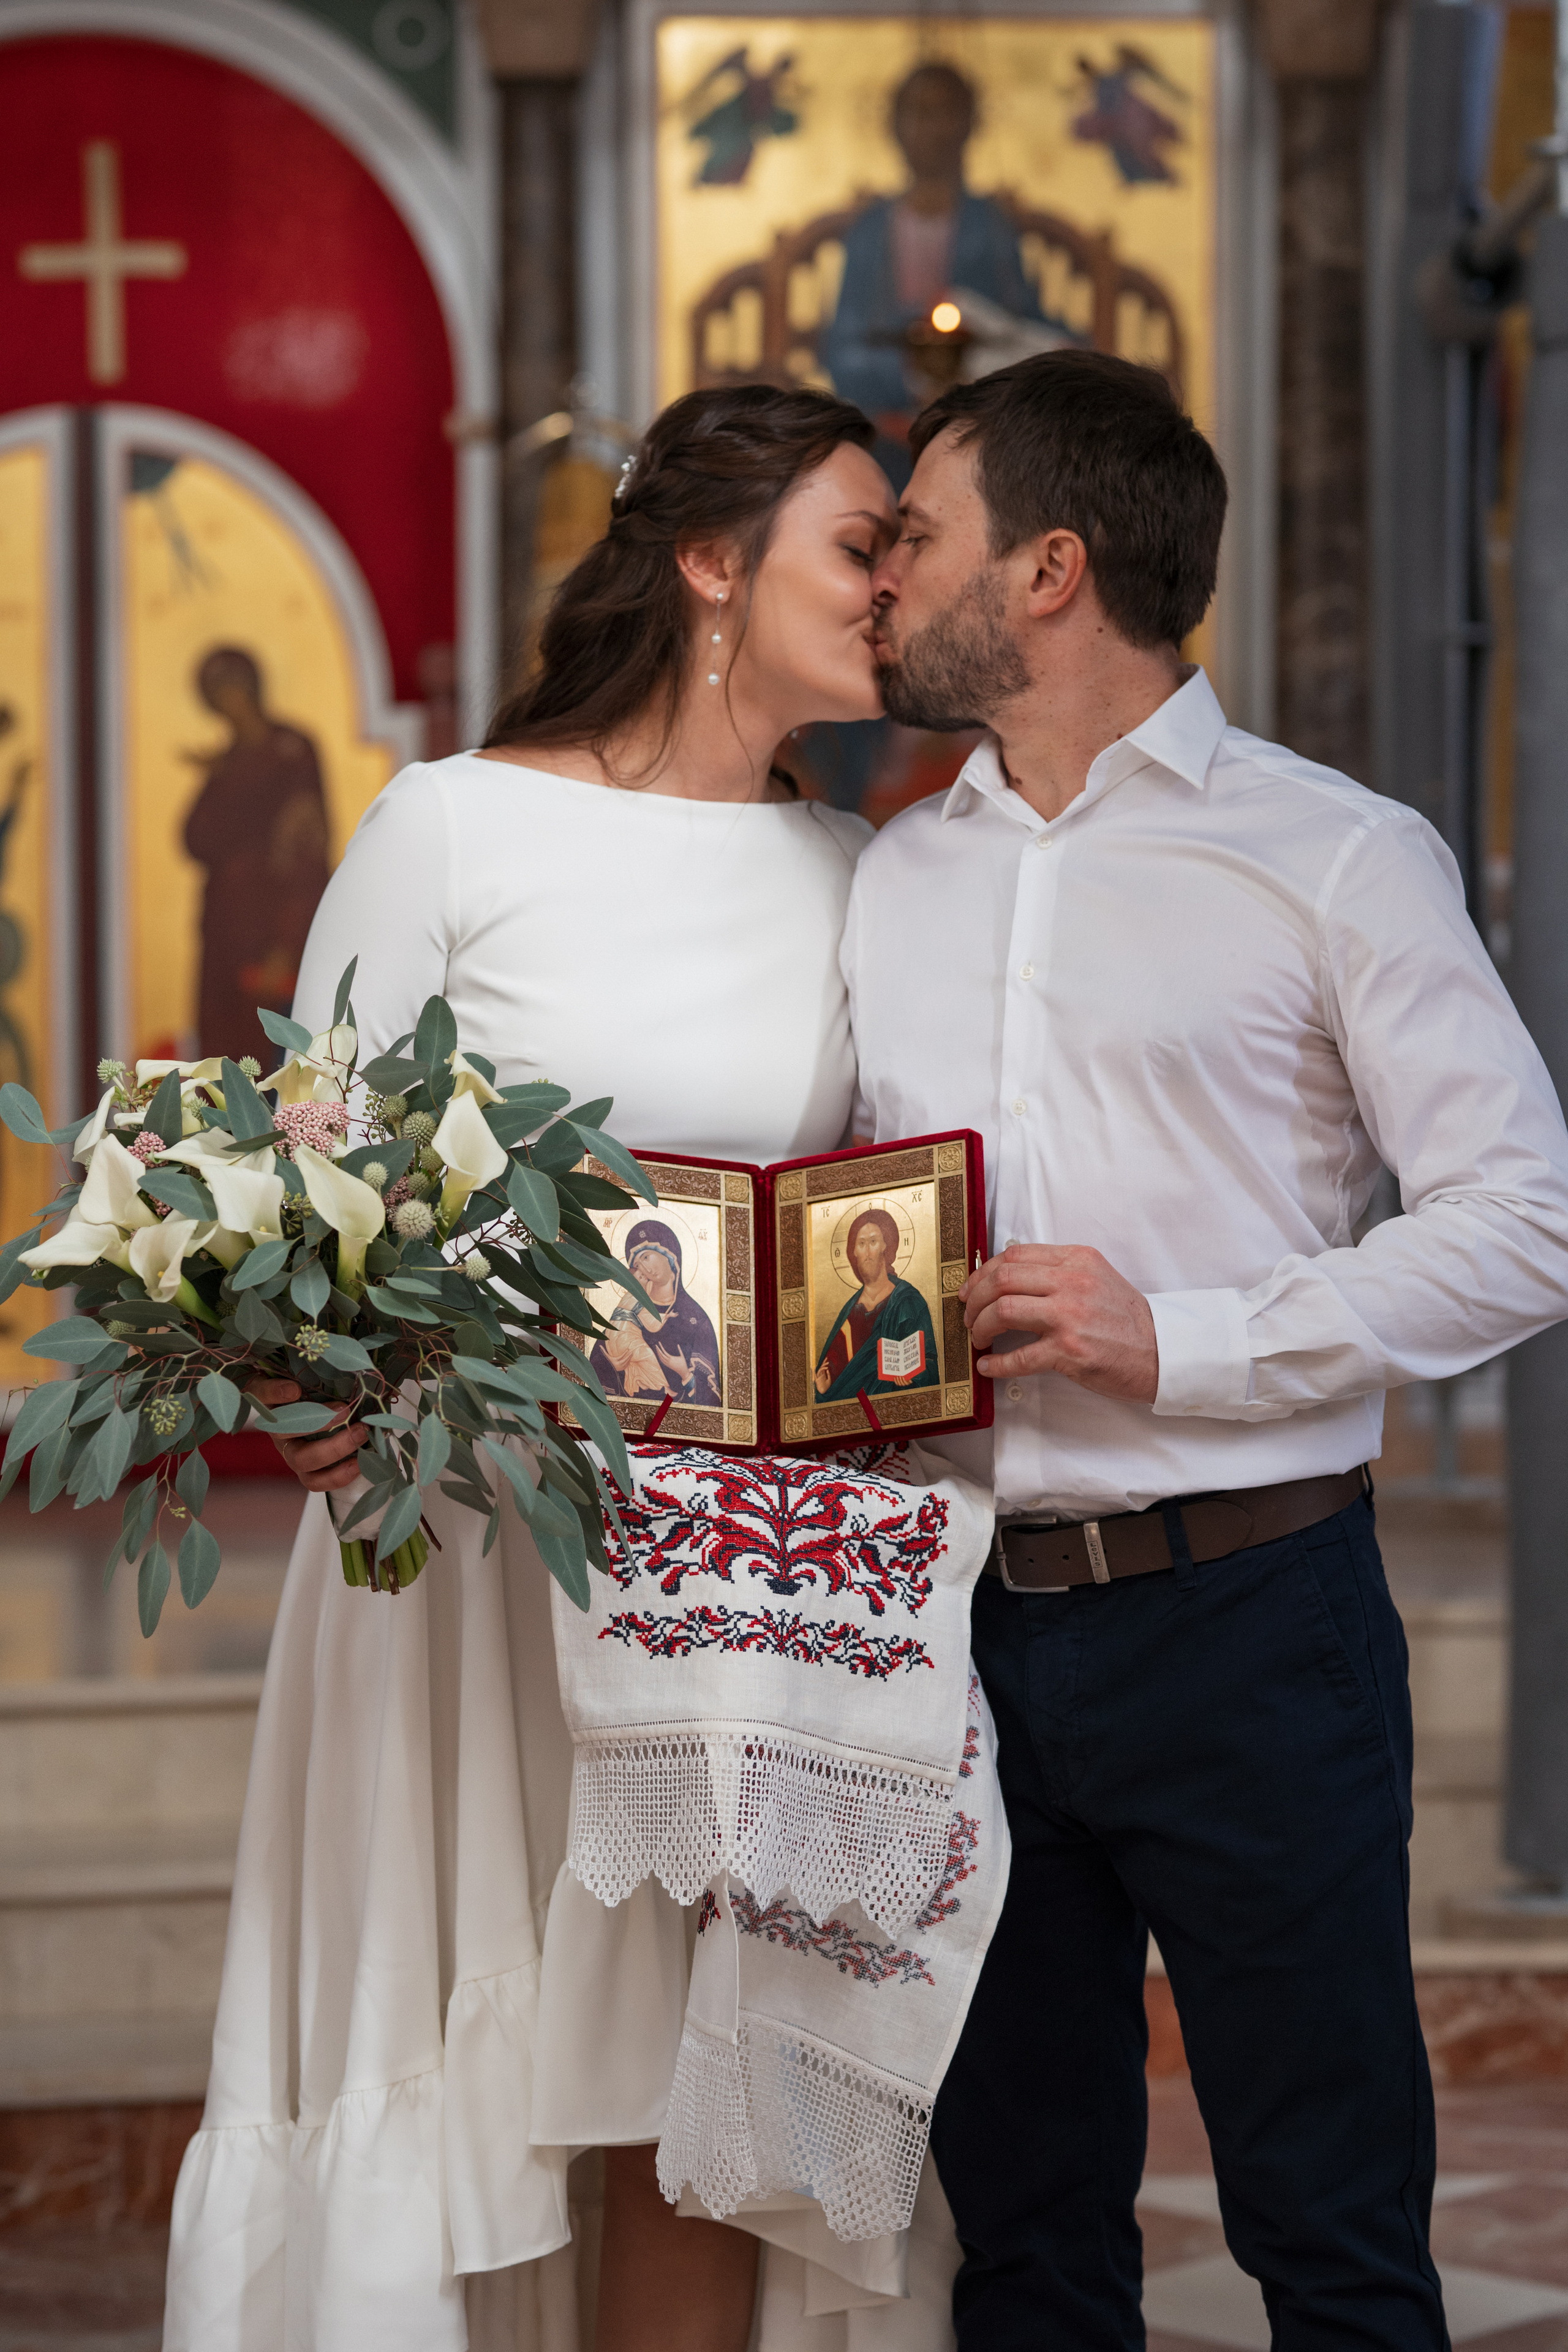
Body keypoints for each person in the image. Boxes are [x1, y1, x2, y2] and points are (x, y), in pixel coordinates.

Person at [165, 386, 969, 2352]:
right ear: (710, 562)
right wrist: (334, 1384)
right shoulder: (454, 821)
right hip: (466, 1562)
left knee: (684, 2089)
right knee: (475, 2050)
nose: (893, 587)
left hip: (723, 1575)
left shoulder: (852, 867)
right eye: (858, 542)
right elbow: (304, 1180)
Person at [842, 348, 1568, 2348]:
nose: (882, 579)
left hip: (1254, 1628)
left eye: (920, 533)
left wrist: (1186, 1340)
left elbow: (1526, 1224)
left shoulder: (1336, 855)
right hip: (961, 1634)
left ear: (1054, 566)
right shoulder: (894, 876)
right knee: (1029, 2249)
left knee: (1331, 2244)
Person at [823, 62, 1063, 490]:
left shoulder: (989, 225)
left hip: (976, 420)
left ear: (969, 124)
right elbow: (845, 345)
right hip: (889, 423)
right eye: (918, 113)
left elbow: (1017, 323)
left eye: (945, 112)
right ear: (895, 126)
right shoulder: (871, 231)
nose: (933, 129)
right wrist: (909, 376)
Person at [182, 645, 331, 1067]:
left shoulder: (292, 752)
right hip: (225, 936)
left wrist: (287, 944)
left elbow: (308, 857)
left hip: (272, 935)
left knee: (274, 1066)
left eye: (232, 690)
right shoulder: (227, 762)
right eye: (217, 695)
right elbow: (195, 840)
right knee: (221, 1067)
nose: (228, 703)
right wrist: (214, 780)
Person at [813, 1205, 938, 1401]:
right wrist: (824, 1389)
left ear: (885, 1247)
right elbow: (834, 1374)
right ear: (853, 1252)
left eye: (873, 1241)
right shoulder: (849, 1312)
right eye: (861, 1243)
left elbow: (931, 1364)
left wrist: (915, 1375)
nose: (867, 1251)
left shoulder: (908, 1301)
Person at [592, 1218, 722, 1405]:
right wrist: (612, 1366)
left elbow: (714, 1400)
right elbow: (596, 1363)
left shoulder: (696, 1319)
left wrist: (685, 1374)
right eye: (637, 1266)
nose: (644, 1268)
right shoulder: (629, 1311)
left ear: (670, 1254)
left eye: (646, 1257)